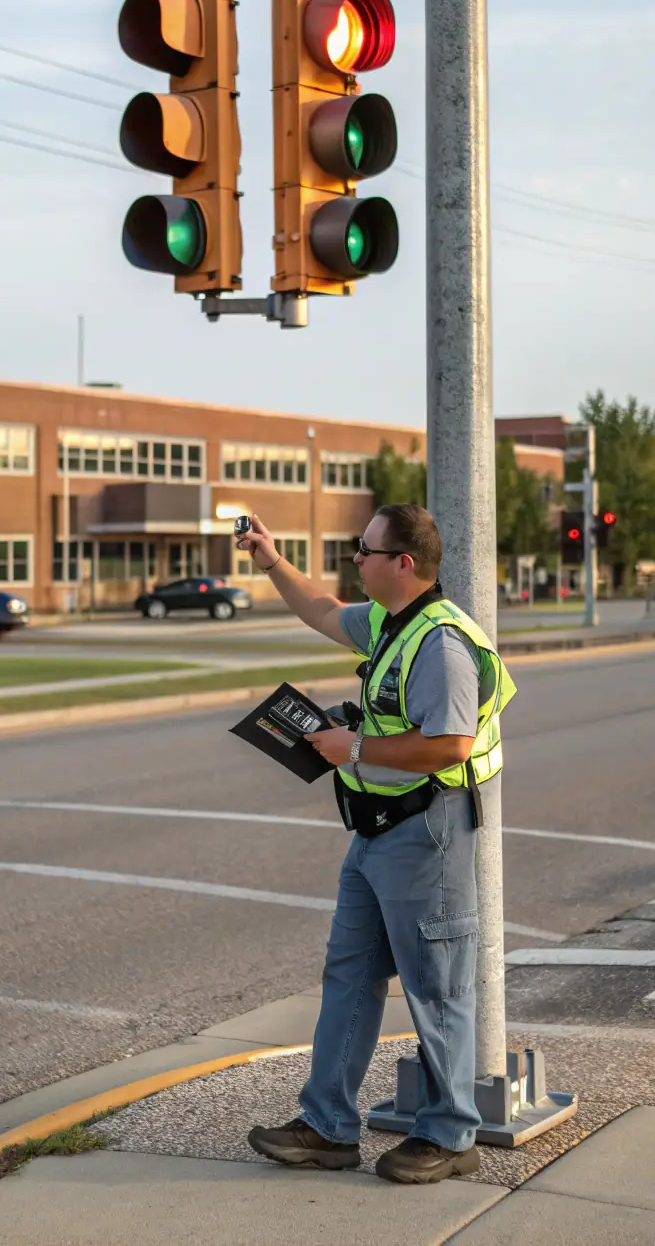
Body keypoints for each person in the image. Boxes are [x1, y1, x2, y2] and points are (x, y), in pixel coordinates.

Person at [239, 504, 516, 1185]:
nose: (354, 558)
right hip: (375, 832)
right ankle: (328, 1125)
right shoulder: (391, 625)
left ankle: (451, 1132)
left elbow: (449, 743)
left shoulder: (442, 643)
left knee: (436, 985)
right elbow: (324, 609)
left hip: (426, 831)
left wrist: (352, 745)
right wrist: (272, 560)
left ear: (404, 563)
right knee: (350, 973)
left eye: (365, 550)